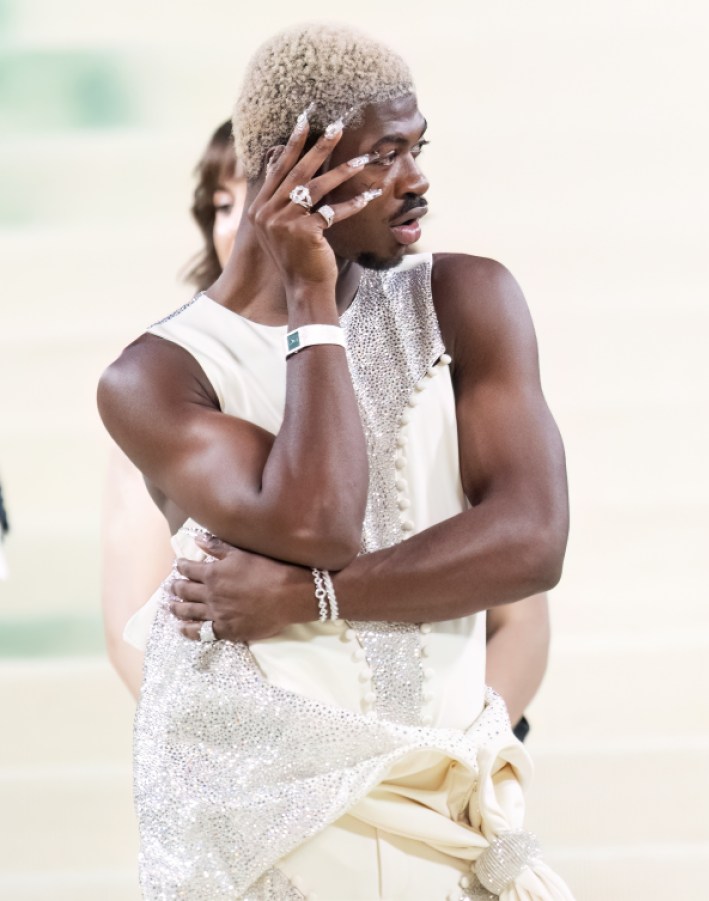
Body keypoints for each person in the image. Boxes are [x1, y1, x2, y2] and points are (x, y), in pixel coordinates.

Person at [98, 23, 572, 900]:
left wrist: (306, 597)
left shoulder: (469, 298)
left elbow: (533, 540)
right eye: (385, 154)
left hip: (444, 809)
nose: (418, 178)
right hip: (276, 830)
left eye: (418, 147)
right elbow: (320, 521)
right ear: (293, 170)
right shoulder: (157, 376)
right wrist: (314, 302)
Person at [101, 121, 246, 696]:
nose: (232, 226)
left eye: (258, 195)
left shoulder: (436, 365)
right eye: (221, 204)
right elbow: (132, 631)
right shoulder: (158, 385)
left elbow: (516, 618)